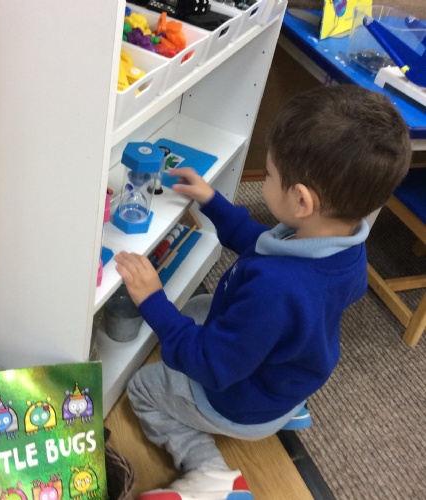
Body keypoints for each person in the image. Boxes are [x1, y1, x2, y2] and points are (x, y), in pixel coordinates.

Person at [114, 85, 412, 500]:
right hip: (289, 376)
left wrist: (153, 300)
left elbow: (212, 365)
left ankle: (209, 473)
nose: (265, 180)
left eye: (268, 175)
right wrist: (211, 201)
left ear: (301, 200)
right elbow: (260, 242)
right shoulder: (345, 244)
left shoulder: (275, 289)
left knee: (144, 387)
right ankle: (286, 404)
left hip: (238, 402)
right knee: (201, 306)